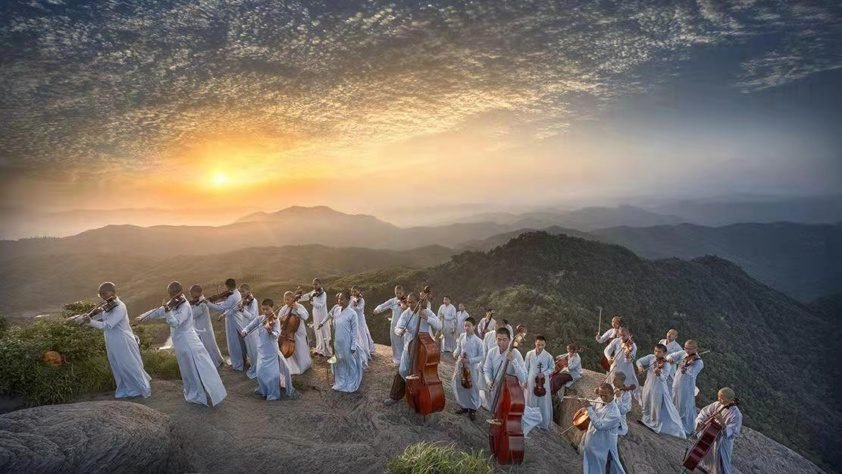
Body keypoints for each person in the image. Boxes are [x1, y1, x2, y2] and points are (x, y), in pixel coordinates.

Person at [136, 281, 226, 406]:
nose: (172, 296)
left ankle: (200, 395)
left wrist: (168, 311)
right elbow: (158, 311)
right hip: (179, 341)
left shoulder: (184, 306)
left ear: (180, 292)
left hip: (187, 340)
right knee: (186, 368)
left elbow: (176, 323)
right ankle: (194, 391)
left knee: (194, 366)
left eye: (174, 293)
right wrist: (143, 317)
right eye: (170, 293)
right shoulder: (173, 303)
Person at [71, 282, 151, 399]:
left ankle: (142, 388)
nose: (103, 296)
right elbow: (100, 317)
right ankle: (127, 389)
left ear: (112, 292)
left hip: (122, 340)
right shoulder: (108, 306)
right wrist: (85, 318)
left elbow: (107, 325)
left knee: (129, 365)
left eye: (104, 293)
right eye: (101, 294)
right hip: (111, 340)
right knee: (117, 365)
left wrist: (90, 322)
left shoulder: (119, 306)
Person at [384, 292, 441, 405]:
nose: (409, 304)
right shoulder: (406, 314)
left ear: (418, 302)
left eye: (412, 302)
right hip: (409, 344)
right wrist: (400, 331)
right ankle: (395, 396)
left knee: (423, 371)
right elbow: (398, 327)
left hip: (424, 347)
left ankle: (422, 396)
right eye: (408, 302)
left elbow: (439, 326)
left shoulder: (427, 312)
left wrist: (427, 318)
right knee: (403, 370)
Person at [240, 299, 294, 400]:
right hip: (261, 348)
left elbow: (276, 335)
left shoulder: (276, 320)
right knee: (260, 372)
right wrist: (244, 331)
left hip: (271, 349)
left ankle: (273, 394)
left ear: (272, 308)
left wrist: (270, 331)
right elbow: (249, 326)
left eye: (267, 309)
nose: (265, 312)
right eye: (263, 309)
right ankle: (263, 389)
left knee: (272, 373)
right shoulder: (260, 319)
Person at [637, 343, 686, 438]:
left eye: (659, 352)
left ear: (664, 353)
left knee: (656, 405)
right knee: (646, 401)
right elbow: (639, 361)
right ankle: (646, 420)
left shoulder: (667, 364)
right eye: (655, 351)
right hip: (649, 384)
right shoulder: (651, 357)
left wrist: (659, 374)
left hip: (659, 387)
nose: (656, 353)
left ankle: (655, 425)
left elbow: (664, 378)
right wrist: (640, 367)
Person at [694, 388, 742, 474]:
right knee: (707, 454)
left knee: (721, 459)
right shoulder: (717, 404)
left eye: (722, 398)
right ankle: (706, 468)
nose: (719, 399)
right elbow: (704, 412)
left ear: (730, 399)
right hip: (710, 433)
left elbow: (733, 431)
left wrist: (722, 422)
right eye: (719, 397)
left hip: (723, 441)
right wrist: (700, 422)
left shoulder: (736, 414)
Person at [580, 383, 625, 474]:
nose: (602, 397)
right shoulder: (600, 399)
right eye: (600, 395)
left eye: (605, 395)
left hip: (602, 442)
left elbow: (599, 426)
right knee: (588, 461)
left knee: (598, 464)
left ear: (612, 394)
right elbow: (593, 404)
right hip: (591, 438)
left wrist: (589, 408)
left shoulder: (615, 414)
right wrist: (584, 402)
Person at [205, 278, 245, 371]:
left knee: (233, 342)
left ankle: (238, 363)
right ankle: (239, 360)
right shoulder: (237, 293)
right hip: (234, 319)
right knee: (236, 341)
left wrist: (208, 303)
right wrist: (218, 302)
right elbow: (227, 304)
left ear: (228, 286)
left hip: (232, 321)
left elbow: (222, 308)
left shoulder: (232, 296)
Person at [667, 340, 704, 436]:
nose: (686, 350)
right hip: (677, 382)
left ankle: (684, 426)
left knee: (684, 405)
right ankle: (673, 421)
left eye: (689, 349)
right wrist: (670, 358)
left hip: (687, 385)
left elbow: (692, 373)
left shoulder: (699, 362)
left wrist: (685, 368)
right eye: (685, 347)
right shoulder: (683, 353)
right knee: (674, 400)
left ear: (695, 349)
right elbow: (671, 355)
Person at [331, 290, 364, 393]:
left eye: (342, 299)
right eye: (339, 299)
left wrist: (353, 345)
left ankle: (351, 383)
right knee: (339, 363)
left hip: (347, 342)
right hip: (337, 342)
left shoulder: (352, 313)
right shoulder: (336, 310)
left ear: (348, 299)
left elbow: (355, 331)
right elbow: (334, 327)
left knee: (350, 363)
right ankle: (340, 382)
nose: (340, 301)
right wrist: (331, 339)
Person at [452, 317, 484, 420]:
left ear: (474, 326)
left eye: (469, 325)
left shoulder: (478, 341)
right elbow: (458, 348)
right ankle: (464, 406)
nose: (466, 328)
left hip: (472, 368)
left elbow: (482, 356)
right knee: (459, 385)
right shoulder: (461, 336)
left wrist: (470, 360)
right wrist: (456, 353)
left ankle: (473, 408)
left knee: (472, 388)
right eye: (465, 325)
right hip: (461, 365)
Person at [188, 285, 224, 368]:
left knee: (208, 345)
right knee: (210, 344)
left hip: (203, 327)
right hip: (201, 327)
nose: (190, 295)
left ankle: (214, 363)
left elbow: (195, 314)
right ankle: (217, 360)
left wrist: (188, 309)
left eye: (191, 293)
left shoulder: (202, 302)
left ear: (196, 292)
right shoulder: (198, 301)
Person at [524, 335, 554, 431]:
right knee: (530, 398)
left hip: (542, 382)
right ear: (535, 343)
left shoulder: (548, 356)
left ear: (545, 344)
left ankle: (542, 423)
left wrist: (544, 373)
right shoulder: (529, 354)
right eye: (538, 344)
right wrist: (524, 380)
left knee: (543, 401)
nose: (540, 347)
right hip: (531, 379)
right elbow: (525, 367)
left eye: (542, 345)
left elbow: (552, 368)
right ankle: (530, 420)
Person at [278, 290, 311, 375]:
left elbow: (306, 316)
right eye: (285, 299)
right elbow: (279, 319)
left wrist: (297, 308)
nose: (286, 301)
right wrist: (282, 319)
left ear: (293, 299)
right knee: (291, 352)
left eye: (288, 299)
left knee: (300, 349)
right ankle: (292, 367)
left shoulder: (299, 306)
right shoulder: (284, 308)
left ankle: (303, 366)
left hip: (299, 333)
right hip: (289, 334)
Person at [373, 285, 405, 366]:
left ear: (403, 292)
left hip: (403, 324)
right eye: (397, 293)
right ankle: (396, 359)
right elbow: (384, 305)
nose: (398, 295)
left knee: (403, 341)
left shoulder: (406, 301)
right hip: (394, 323)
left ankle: (404, 359)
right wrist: (377, 309)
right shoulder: (393, 300)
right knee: (394, 341)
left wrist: (403, 304)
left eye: (400, 293)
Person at [604, 327, 639, 394]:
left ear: (629, 335)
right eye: (620, 335)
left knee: (624, 389)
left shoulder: (633, 346)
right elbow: (606, 350)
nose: (622, 337)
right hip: (615, 366)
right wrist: (609, 358)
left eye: (624, 335)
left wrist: (627, 355)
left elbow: (630, 361)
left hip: (626, 369)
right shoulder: (616, 340)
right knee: (611, 386)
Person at [238, 284, 260, 379]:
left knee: (254, 349)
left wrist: (242, 310)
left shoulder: (253, 301)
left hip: (253, 329)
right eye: (240, 292)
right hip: (246, 327)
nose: (241, 293)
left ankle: (258, 367)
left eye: (243, 291)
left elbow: (252, 316)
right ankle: (253, 365)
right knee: (250, 349)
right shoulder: (244, 301)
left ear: (248, 291)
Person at [351, 286, 376, 359]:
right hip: (354, 319)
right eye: (352, 291)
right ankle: (357, 351)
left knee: (363, 334)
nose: (353, 293)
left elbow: (359, 309)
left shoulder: (362, 300)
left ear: (359, 291)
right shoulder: (352, 299)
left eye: (355, 291)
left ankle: (366, 351)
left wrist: (355, 305)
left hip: (360, 319)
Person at [309, 278, 331, 358]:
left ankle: (326, 349)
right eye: (313, 284)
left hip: (322, 314)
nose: (314, 286)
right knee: (317, 331)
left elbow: (321, 305)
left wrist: (312, 302)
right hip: (315, 314)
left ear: (320, 284)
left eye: (316, 284)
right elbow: (307, 297)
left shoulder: (323, 293)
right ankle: (319, 349)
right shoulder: (312, 293)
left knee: (324, 331)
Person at [611, 372, 634, 437]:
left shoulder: (627, 395)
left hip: (617, 418)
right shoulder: (611, 386)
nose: (613, 381)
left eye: (615, 380)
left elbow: (622, 411)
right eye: (613, 379)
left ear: (622, 381)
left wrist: (619, 398)